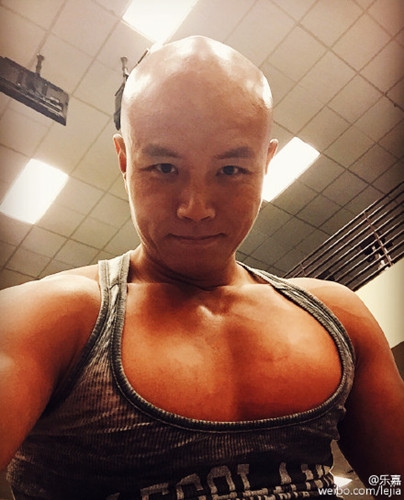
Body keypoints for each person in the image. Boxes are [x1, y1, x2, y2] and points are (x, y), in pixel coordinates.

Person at [0, 36, 403, 500]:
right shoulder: (46, 321)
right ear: (125, 160)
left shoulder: (337, 315)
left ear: (266, 163)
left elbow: (393, 483)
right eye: (164, 167)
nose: (195, 209)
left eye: (230, 171)